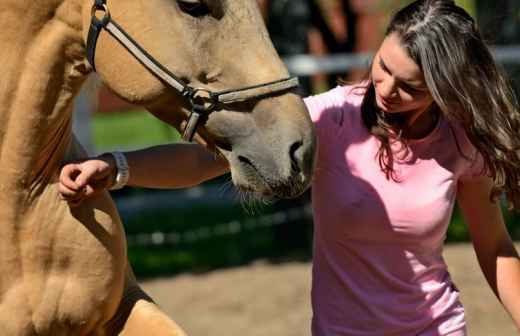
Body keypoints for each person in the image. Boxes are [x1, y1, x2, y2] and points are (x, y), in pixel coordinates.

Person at [60, 1, 520, 335]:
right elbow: (204, 161)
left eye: (409, 87)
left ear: (440, 90)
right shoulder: (333, 118)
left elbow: (494, 247)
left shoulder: (459, 142)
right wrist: (118, 167)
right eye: (383, 67)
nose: (385, 88)